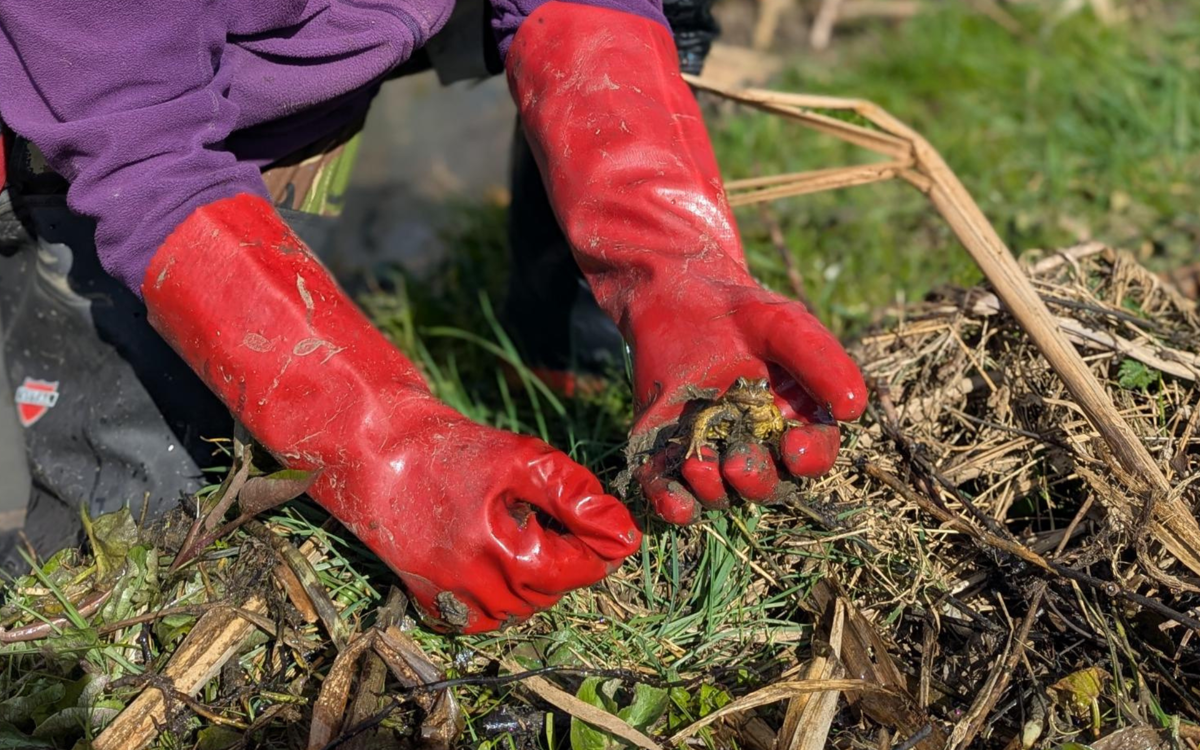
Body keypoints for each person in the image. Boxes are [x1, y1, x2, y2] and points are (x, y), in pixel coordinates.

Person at [0, 0, 866, 633]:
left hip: (299, 43)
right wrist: (384, 444)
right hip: (82, 111)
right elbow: (142, 147)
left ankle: (567, 341)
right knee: (119, 535)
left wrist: (674, 263)